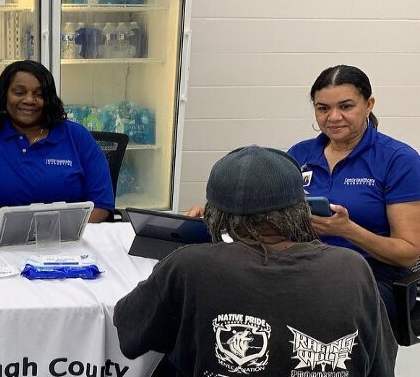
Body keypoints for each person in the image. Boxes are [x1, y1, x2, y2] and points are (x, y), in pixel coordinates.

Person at [114, 146, 397, 376]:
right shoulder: (352, 268)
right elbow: (381, 365)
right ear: (303, 209)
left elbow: (130, 332)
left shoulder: (189, 266)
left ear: (213, 213)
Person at [287, 65, 420, 322]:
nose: (333, 117)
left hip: (373, 276)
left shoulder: (398, 160)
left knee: (325, 308)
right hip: (304, 266)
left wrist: (348, 230)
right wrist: (216, 214)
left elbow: (409, 252)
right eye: (323, 108)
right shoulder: (299, 154)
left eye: (346, 106)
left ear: (368, 105)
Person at [0, 60, 114, 224]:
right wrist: (12, 233)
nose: (29, 100)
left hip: (69, 241)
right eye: (19, 92)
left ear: (49, 99)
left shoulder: (77, 136)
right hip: (2, 240)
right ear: (4, 95)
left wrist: (66, 236)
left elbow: (101, 204)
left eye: (39, 94)